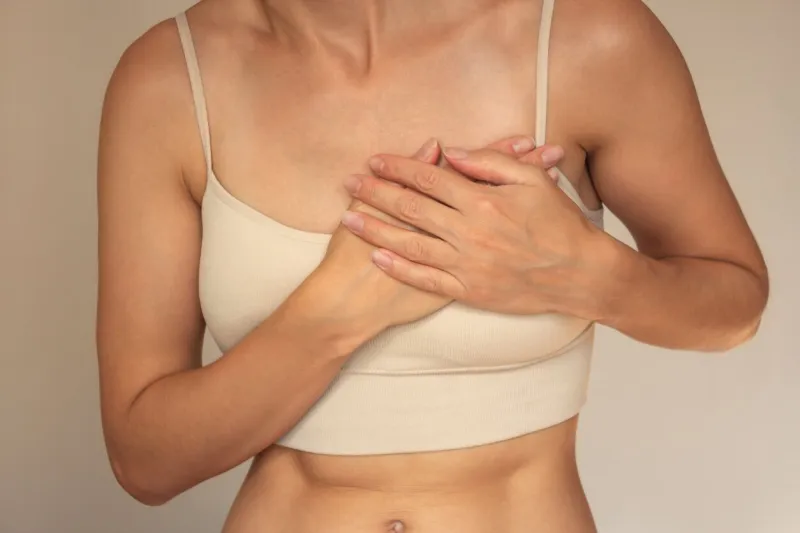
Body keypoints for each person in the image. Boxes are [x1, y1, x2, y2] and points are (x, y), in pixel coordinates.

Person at [95, 0, 769, 531]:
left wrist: (586, 270)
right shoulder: (169, 78)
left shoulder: (587, 37)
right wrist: (332, 313)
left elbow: (734, 304)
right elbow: (145, 460)